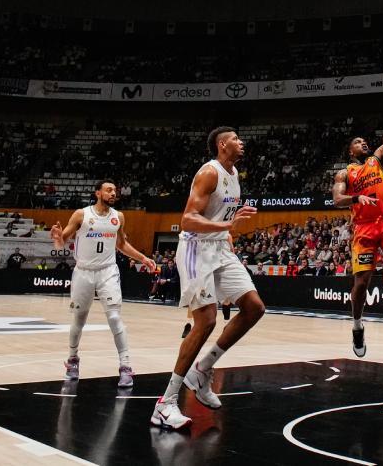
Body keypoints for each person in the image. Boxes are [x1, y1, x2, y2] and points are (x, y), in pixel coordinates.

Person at [152, 127, 266, 430]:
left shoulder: (235, 173)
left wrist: (227, 231)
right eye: (236, 139)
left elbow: (218, 219)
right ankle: (165, 404)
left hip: (219, 248)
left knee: (254, 307)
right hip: (195, 250)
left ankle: (202, 369)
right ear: (222, 144)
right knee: (206, 321)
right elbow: (187, 219)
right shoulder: (209, 172)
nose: (241, 142)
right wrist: (229, 224)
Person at [332, 82, 383, 357]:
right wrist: (357, 199)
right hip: (364, 229)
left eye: (364, 140)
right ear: (350, 151)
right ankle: (357, 325)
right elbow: (336, 200)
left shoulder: (378, 160)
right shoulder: (345, 173)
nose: (363, 143)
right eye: (357, 142)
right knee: (361, 283)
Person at [52, 181, 157, 387]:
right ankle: (73, 360)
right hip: (83, 272)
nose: (113, 193)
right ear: (98, 193)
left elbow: (122, 244)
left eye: (115, 191)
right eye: (109, 190)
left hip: (108, 271)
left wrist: (143, 258)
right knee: (79, 319)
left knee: (115, 317)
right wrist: (56, 237)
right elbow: (61, 242)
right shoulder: (81, 215)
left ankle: (125, 366)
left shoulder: (118, 217)